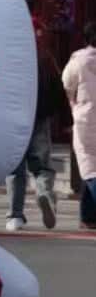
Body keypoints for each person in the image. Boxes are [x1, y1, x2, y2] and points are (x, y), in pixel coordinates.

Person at [5, 18, 67, 232]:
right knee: (42, 165)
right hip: (40, 118)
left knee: (15, 169)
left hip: (14, 118)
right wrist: (66, 120)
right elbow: (59, 89)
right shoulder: (45, 57)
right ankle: (44, 194)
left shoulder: (9, 57)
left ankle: (15, 216)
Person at [62, 21, 96, 231]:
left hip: (85, 119)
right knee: (89, 170)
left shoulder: (79, 60)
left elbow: (66, 83)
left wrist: (73, 103)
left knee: (90, 170)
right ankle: (88, 217)